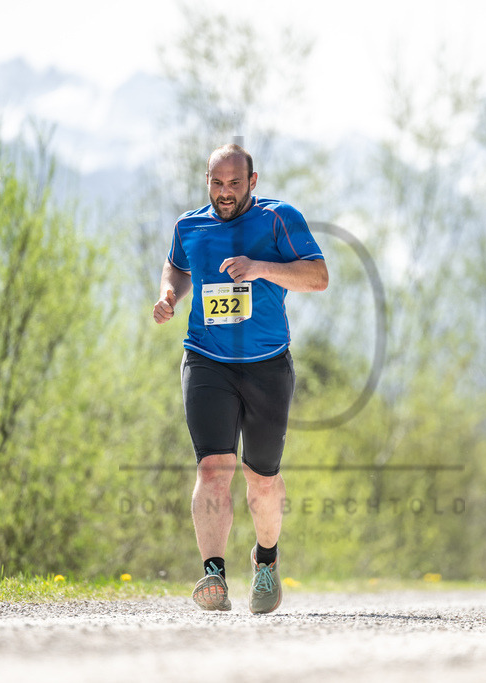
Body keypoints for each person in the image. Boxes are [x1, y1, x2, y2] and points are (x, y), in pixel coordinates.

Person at [152, 143, 328, 614]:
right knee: (213, 469)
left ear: (252, 181)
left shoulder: (278, 219)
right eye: (216, 183)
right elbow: (178, 265)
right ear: (206, 181)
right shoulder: (189, 225)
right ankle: (214, 574)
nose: (225, 192)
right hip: (206, 359)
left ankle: (265, 561)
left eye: (234, 183)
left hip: (267, 364)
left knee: (262, 479)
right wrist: (169, 294)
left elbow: (318, 276)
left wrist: (259, 267)